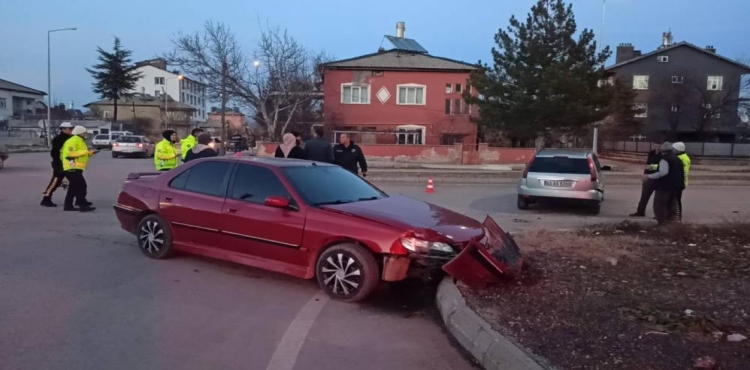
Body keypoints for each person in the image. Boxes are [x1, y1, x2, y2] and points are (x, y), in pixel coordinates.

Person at [644, 142, 685, 226]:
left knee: (659, 205)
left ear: (663, 150)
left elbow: (663, 172)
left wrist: (649, 176)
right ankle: (672, 224)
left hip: (664, 186)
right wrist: (649, 167)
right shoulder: (677, 159)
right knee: (670, 205)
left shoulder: (665, 159)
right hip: (676, 186)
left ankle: (662, 224)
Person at [61, 125, 97, 212]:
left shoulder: (80, 140)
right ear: (79, 133)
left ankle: (69, 205)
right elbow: (70, 153)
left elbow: (81, 153)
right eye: (84, 133)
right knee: (80, 186)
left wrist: (90, 153)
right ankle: (82, 205)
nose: (85, 134)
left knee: (75, 186)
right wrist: (85, 151)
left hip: (76, 167)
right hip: (72, 166)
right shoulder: (73, 140)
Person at [40, 122, 74, 207]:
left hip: (69, 164)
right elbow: (54, 153)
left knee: (76, 182)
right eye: (69, 128)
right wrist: (58, 164)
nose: (71, 130)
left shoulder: (71, 138)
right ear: (63, 129)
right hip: (60, 165)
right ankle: (46, 198)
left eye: (71, 128)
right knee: (55, 182)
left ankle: (80, 199)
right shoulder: (58, 139)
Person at [630, 142, 662, 217]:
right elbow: (648, 164)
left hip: (659, 177)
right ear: (654, 145)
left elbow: (661, 167)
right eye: (656, 145)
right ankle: (640, 211)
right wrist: (645, 174)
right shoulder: (651, 153)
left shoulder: (663, 155)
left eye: (659, 146)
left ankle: (659, 214)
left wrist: (651, 167)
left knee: (659, 199)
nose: (657, 147)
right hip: (649, 176)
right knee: (644, 196)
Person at [673, 142, 691, 221]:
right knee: (674, 199)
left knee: (677, 200)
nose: (672, 150)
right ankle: (674, 215)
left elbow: (683, 171)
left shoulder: (683, 158)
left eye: (674, 149)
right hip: (678, 182)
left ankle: (678, 216)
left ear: (678, 150)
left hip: (680, 182)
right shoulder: (680, 156)